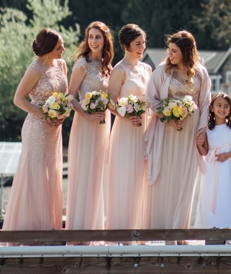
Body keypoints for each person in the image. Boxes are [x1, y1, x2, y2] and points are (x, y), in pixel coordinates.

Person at [145, 30, 212, 229]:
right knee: (166, 177)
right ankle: (162, 228)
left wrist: (201, 130)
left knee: (186, 177)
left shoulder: (200, 72)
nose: (170, 54)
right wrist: (167, 117)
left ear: (185, 51)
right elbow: (151, 99)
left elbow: (206, 102)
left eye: (174, 50)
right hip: (167, 131)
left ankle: (181, 228)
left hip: (190, 132)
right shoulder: (162, 71)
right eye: (169, 49)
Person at [2, 28, 68, 231]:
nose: (63, 50)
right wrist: (45, 115)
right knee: (36, 174)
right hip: (36, 128)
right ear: (48, 48)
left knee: (52, 173)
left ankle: (49, 228)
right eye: (59, 47)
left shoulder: (61, 65)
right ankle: (30, 229)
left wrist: (62, 114)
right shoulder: (35, 69)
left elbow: (63, 96)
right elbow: (18, 99)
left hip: (54, 130)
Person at [65, 21, 113, 230]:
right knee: (83, 171)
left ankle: (94, 228)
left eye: (98, 37)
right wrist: (86, 114)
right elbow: (69, 96)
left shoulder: (107, 66)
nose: (93, 41)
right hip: (85, 123)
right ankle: (79, 229)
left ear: (105, 40)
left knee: (97, 173)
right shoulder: (81, 64)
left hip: (103, 124)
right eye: (90, 37)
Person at [106, 23, 153, 230]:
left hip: (145, 128)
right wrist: (126, 115)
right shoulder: (119, 70)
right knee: (126, 176)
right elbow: (110, 102)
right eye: (137, 43)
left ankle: (140, 228)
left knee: (143, 177)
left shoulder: (147, 68)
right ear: (125, 46)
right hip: (126, 129)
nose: (141, 47)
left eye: (143, 43)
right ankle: (122, 229)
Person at [202, 92, 231, 228]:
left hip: (230, 166)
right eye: (218, 105)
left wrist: (228, 155)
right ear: (212, 107)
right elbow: (205, 151)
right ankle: (213, 224)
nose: (222, 109)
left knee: (230, 194)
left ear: (230, 110)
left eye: (226, 106)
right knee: (214, 195)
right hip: (212, 166)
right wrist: (198, 143)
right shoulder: (207, 129)